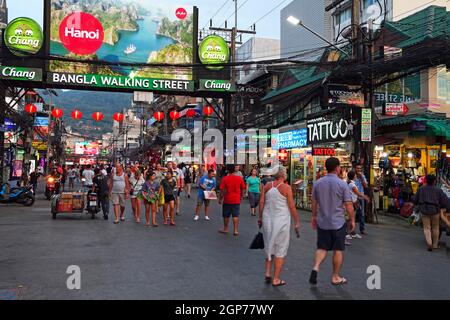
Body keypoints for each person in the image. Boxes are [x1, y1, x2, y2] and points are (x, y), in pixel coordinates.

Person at [309, 157, 355, 286]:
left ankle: (316, 266)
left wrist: (314, 217)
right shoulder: (342, 184)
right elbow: (348, 204)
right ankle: (335, 276)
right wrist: (352, 219)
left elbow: (314, 202)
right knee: (337, 250)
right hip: (338, 223)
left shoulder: (318, 183)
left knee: (322, 248)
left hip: (323, 221)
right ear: (337, 168)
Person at [258, 166, 300, 287]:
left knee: (269, 245)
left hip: (267, 220)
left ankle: (267, 272)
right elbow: (291, 206)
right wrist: (297, 221)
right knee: (280, 248)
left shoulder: (266, 186)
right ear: (282, 175)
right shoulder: (286, 188)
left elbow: (261, 203)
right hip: (281, 221)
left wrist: (260, 218)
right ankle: (276, 278)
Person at [413, 175, 450, 251]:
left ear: (426, 180)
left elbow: (415, 199)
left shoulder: (421, 189)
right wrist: (444, 208)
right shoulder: (438, 190)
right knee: (435, 228)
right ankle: (435, 245)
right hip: (435, 210)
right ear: (434, 181)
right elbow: (444, 201)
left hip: (424, 210)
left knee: (427, 228)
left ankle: (429, 243)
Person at [218, 164, 246, 236]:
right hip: (236, 199)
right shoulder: (239, 178)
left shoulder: (225, 179)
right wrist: (242, 195)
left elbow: (222, 190)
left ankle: (226, 228)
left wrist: (220, 199)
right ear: (234, 170)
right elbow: (243, 187)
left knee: (226, 215)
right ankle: (235, 230)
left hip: (227, 199)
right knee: (235, 215)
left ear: (228, 170)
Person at [345, 171, 370, 245]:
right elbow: (357, 193)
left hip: (354, 202)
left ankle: (352, 232)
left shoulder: (350, 183)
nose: (356, 176)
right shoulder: (352, 184)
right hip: (352, 203)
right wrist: (365, 197)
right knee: (350, 219)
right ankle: (347, 233)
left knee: (352, 218)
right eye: (355, 175)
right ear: (353, 176)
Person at [354, 164, 368, 235]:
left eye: (360, 169)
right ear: (355, 169)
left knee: (361, 213)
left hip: (361, 197)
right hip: (353, 197)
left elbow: (365, 186)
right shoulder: (352, 176)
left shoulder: (363, 176)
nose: (359, 170)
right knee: (352, 213)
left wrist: (361, 177)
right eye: (357, 168)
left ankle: (362, 229)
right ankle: (351, 229)